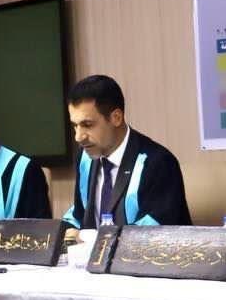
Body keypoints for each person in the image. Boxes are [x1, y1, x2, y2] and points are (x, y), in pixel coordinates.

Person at [62, 74, 191, 233]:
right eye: (75, 126)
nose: (78, 137)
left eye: (87, 125)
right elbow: (78, 215)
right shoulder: (85, 158)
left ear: (116, 118)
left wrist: (94, 239)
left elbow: (153, 233)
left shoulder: (158, 163)